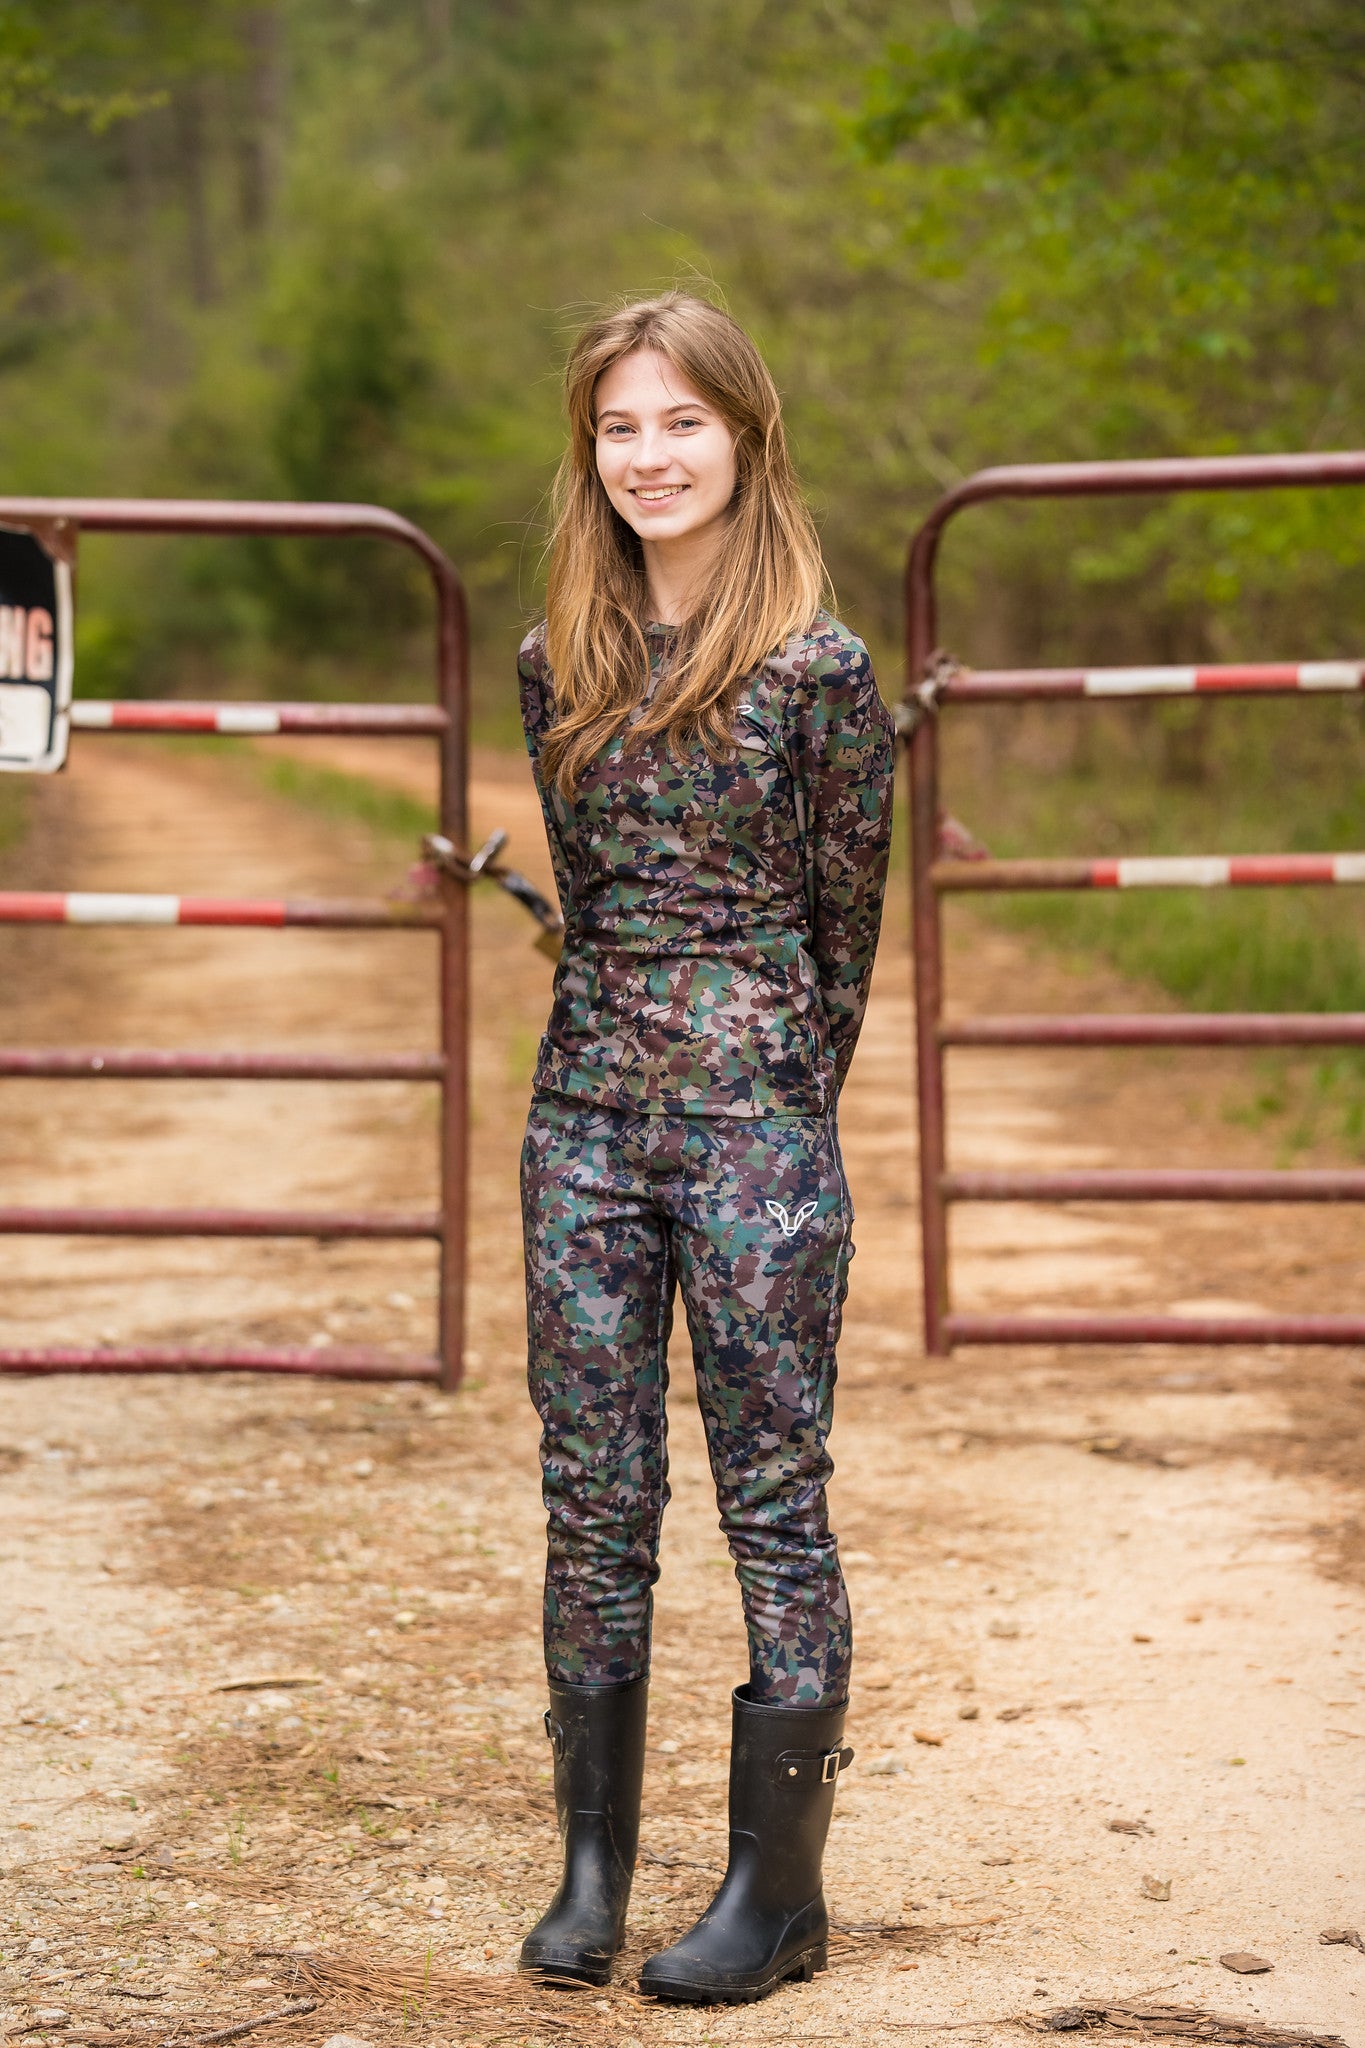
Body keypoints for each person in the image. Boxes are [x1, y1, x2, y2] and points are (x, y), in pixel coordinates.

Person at [515, 291, 895, 2005]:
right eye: (619, 427)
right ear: (588, 454)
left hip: (755, 1134)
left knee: (768, 1501)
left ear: (743, 437)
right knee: (593, 1499)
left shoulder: (816, 668)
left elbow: (845, 931)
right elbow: (590, 907)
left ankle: (772, 1895)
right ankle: (591, 1870)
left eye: (680, 423)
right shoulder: (560, 663)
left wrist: (772, 1115)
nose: (649, 456)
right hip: (580, 1121)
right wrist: (623, 1069)